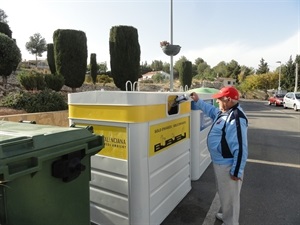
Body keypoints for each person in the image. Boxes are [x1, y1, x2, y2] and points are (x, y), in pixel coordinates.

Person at [190, 86, 248, 225]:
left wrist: (236, 171)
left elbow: (241, 148)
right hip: (220, 162)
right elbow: (211, 111)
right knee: (225, 194)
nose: (217, 102)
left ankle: (231, 222)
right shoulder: (225, 112)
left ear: (227, 100)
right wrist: (198, 100)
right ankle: (227, 216)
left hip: (228, 166)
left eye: (219, 99)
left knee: (231, 198)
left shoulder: (236, 118)